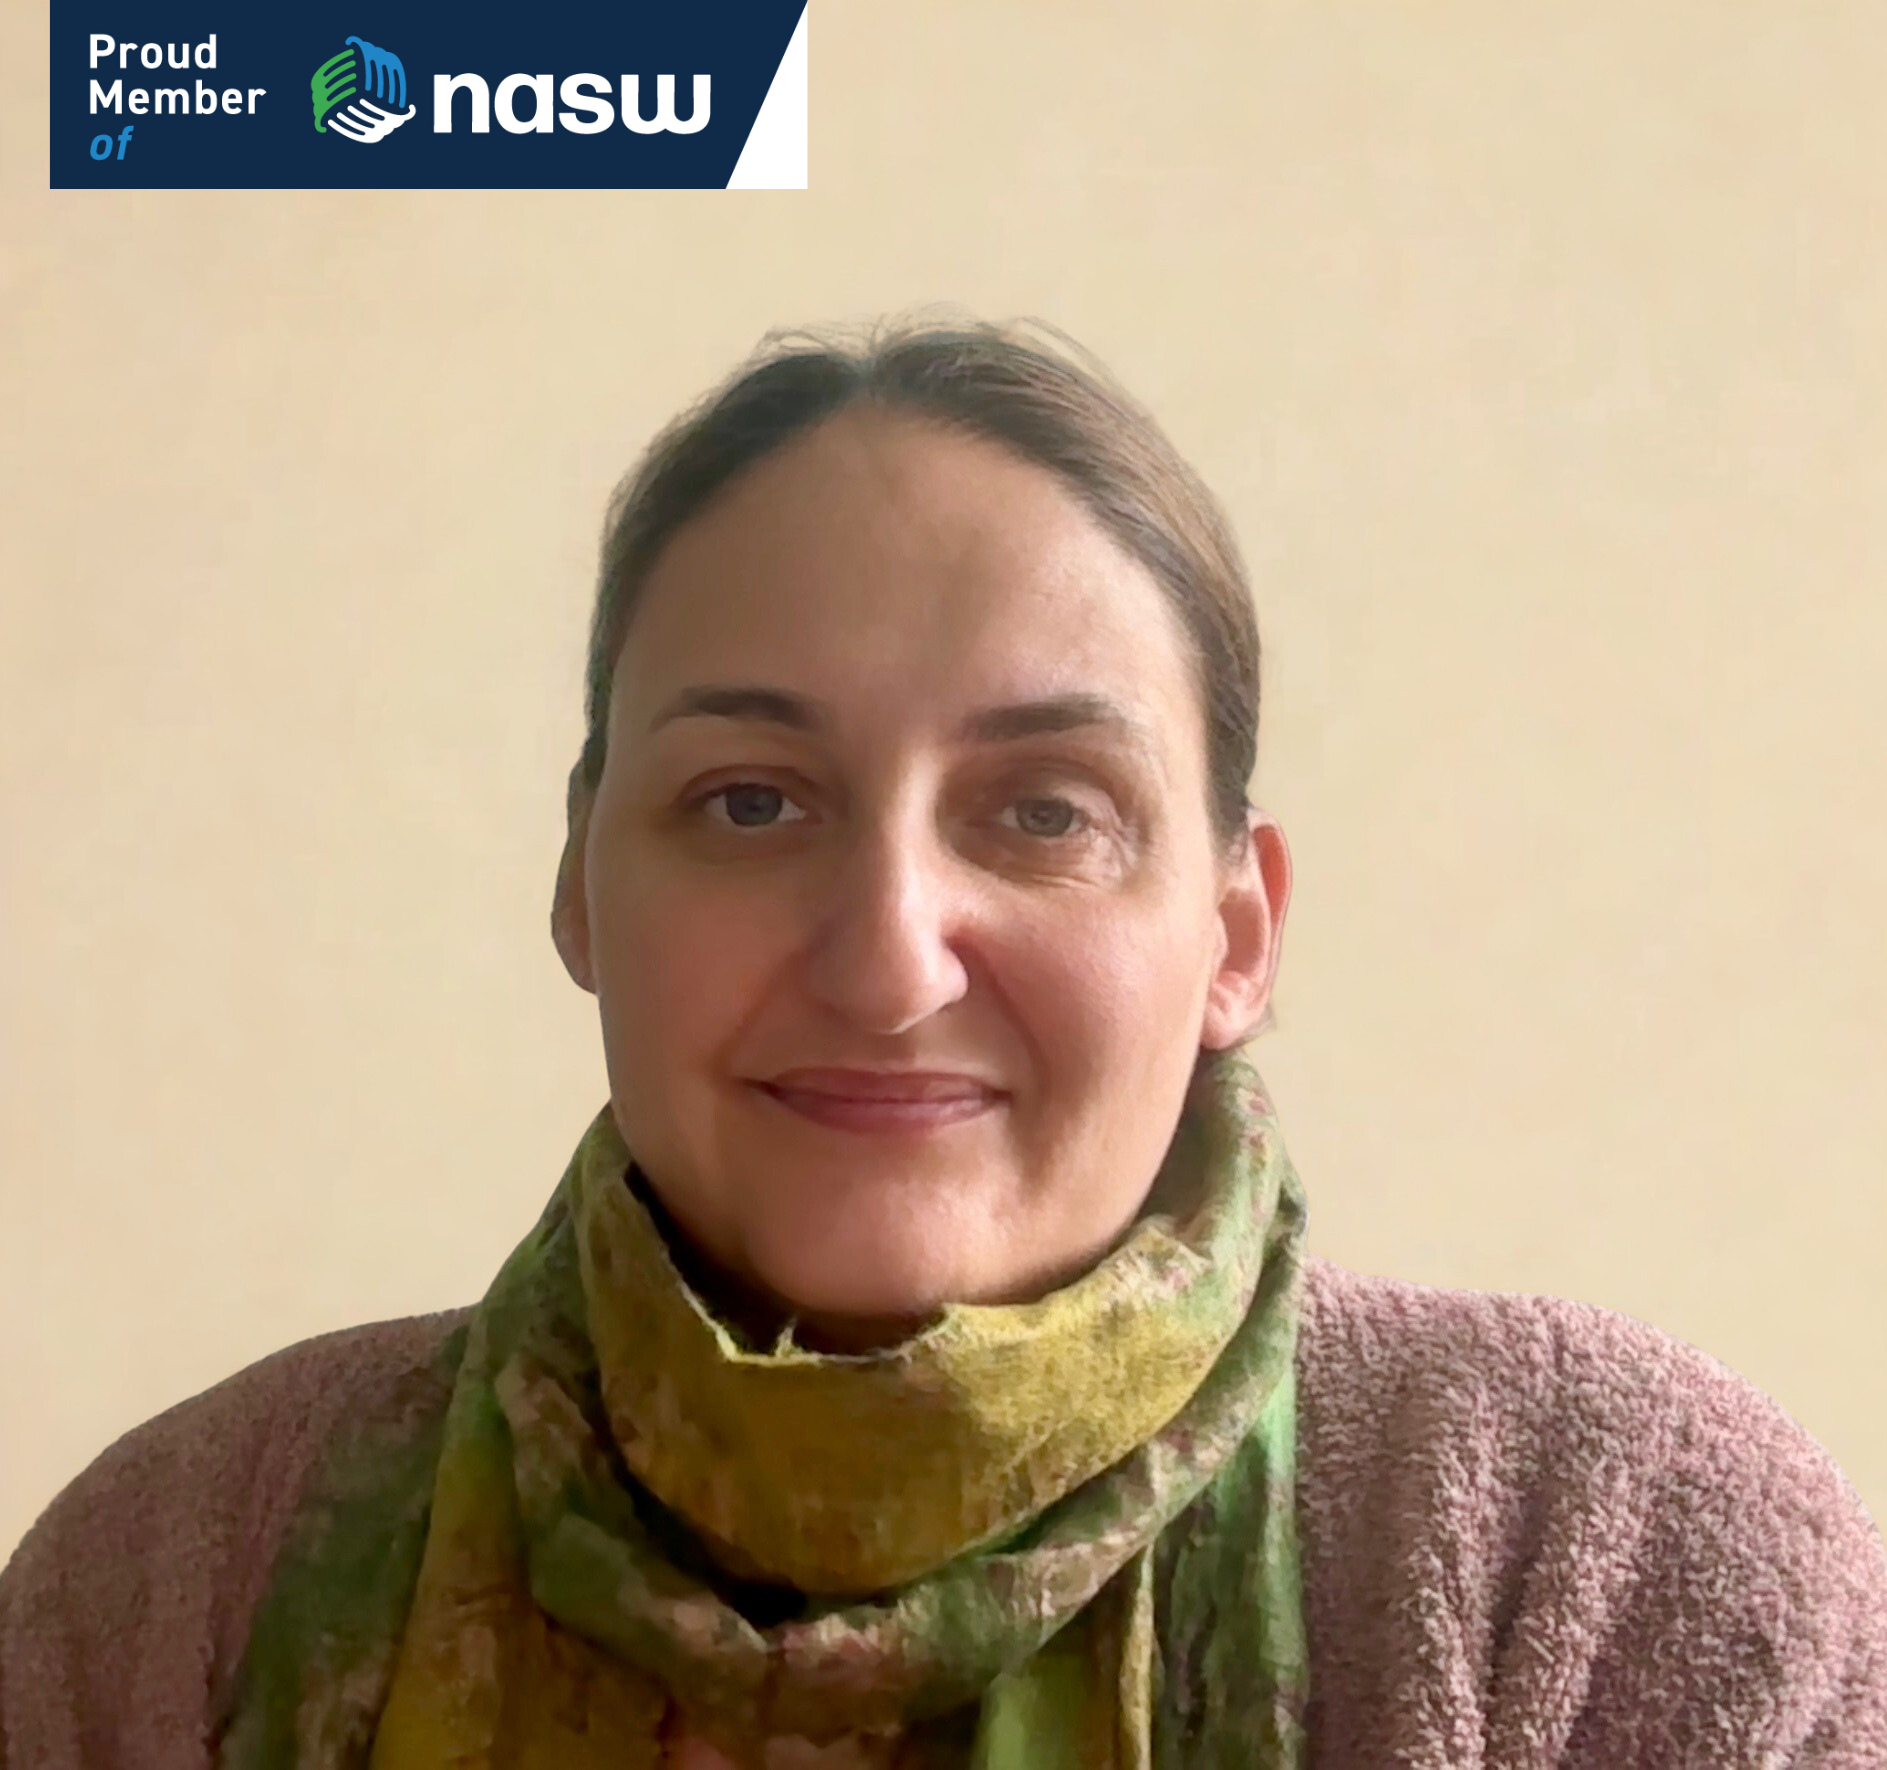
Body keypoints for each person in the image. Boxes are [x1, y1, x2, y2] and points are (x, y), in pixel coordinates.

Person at [3, 319, 1883, 1769]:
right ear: (581, 887)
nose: (889, 959)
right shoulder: (178, 1577)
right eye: (749, 802)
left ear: (1234, 935)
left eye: (1043, 810)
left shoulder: (1608, 1555)